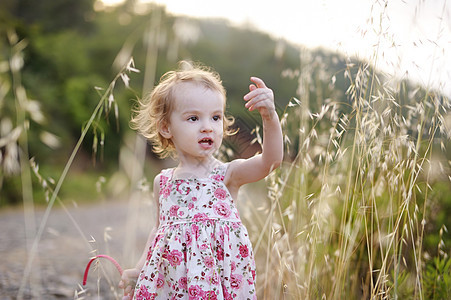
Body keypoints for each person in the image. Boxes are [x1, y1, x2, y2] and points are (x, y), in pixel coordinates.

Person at [119, 61, 283, 300]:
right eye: (194, 118)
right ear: (166, 127)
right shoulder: (162, 182)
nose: (208, 127)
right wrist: (139, 268)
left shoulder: (228, 175)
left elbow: (271, 161)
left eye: (216, 118)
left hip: (217, 284)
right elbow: (158, 231)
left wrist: (270, 118)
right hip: (175, 284)